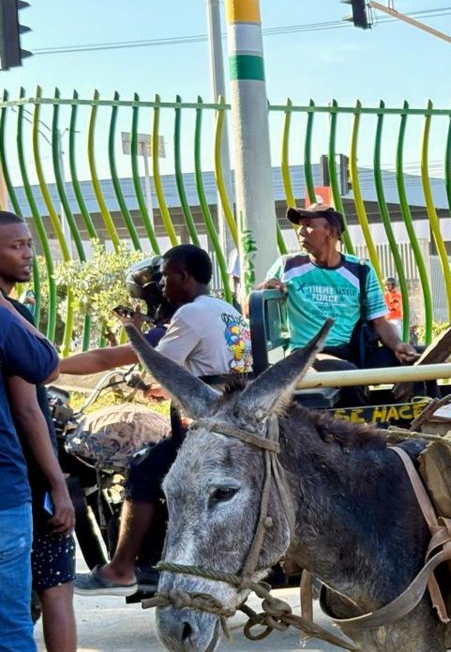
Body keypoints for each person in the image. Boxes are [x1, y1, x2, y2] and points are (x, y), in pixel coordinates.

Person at [65, 244, 253, 596]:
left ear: (184, 276)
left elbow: (157, 371)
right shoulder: (225, 310)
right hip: (233, 424)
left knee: (144, 469)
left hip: (203, 431)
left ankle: (121, 570)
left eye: (166, 277)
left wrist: (54, 367)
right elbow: (205, 366)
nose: (163, 285)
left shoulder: (190, 315)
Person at [0, 213, 74, 651]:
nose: (28, 254)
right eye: (16, 246)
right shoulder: (9, 317)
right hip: (15, 491)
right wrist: (58, 486)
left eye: (29, 244)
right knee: (16, 626)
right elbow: (31, 402)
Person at [258, 204, 416, 365]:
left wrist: (398, 345)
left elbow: (380, 322)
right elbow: (248, 309)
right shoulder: (287, 265)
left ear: (331, 232)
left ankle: (412, 391)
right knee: (344, 370)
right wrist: (262, 289)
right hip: (306, 355)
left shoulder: (361, 270)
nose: (301, 231)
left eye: (309, 225)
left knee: (419, 357)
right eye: (301, 225)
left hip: (352, 351)